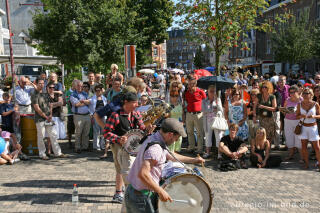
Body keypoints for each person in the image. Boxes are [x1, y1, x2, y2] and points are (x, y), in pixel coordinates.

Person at [125, 118, 204, 213]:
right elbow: (143, 174)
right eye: (176, 138)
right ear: (170, 134)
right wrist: (161, 191)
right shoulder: (155, 149)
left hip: (137, 193)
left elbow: (170, 155)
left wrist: (194, 160)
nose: (175, 141)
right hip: (141, 197)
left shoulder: (156, 138)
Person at [103, 92, 150, 206]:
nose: (137, 104)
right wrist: (118, 138)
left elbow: (142, 129)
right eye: (134, 102)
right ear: (126, 102)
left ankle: (125, 191)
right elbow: (106, 133)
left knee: (130, 168)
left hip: (133, 147)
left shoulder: (136, 113)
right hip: (118, 146)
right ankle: (121, 193)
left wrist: (148, 129)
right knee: (121, 169)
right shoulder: (115, 115)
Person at [31, 79, 66, 160]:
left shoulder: (45, 94)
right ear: (36, 84)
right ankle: (42, 154)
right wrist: (46, 117)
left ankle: (58, 153)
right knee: (41, 136)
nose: (41, 85)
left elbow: (49, 105)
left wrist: (50, 115)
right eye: (40, 83)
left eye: (43, 83)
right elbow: (37, 108)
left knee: (53, 135)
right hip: (40, 119)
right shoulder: (34, 94)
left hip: (48, 118)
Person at [296, 88, 320, 171]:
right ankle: (306, 164)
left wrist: (313, 116)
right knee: (304, 147)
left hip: (313, 127)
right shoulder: (299, 104)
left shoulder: (315, 104)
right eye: (304, 93)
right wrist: (301, 116)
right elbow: (297, 115)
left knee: (317, 147)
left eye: (307, 93)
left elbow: (319, 115)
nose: (305, 95)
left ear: (311, 94)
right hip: (303, 127)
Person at [184, 75, 206, 154]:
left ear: (195, 83)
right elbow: (186, 101)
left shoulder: (200, 92)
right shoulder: (186, 93)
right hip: (189, 114)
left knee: (200, 133)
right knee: (189, 132)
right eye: (189, 84)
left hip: (199, 114)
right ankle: (191, 147)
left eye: (192, 84)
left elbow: (205, 101)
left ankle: (200, 149)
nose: (190, 85)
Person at [202, 85, 225, 159]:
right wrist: (211, 109)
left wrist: (217, 104)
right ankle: (208, 152)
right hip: (208, 120)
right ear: (207, 92)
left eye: (213, 91)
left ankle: (219, 154)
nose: (212, 93)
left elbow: (221, 110)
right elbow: (203, 110)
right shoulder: (204, 101)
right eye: (210, 91)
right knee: (207, 136)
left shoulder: (218, 99)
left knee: (218, 137)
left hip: (216, 120)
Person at [70, 80, 91, 153]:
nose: (80, 87)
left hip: (87, 115)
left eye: (81, 86)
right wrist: (85, 102)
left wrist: (82, 102)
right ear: (75, 86)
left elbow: (90, 102)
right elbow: (76, 104)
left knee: (86, 132)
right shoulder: (73, 95)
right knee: (78, 132)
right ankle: (77, 147)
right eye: (78, 85)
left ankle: (85, 147)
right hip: (78, 116)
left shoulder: (85, 93)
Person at [282, 85, 302, 161]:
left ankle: (302, 157)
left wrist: (297, 113)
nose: (292, 94)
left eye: (294, 92)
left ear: (298, 92)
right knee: (289, 138)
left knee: (298, 139)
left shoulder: (301, 100)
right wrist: (286, 111)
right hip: (288, 121)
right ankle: (291, 155)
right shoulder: (287, 99)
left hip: (298, 121)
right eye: (290, 92)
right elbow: (284, 109)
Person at [89, 84, 107, 151]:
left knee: (103, 131)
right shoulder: (92, 99)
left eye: (99, 90)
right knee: (96, 131)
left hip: (103, 116)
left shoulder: (104, 98)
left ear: (101, 91)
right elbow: (90, 108)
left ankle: (102, 145)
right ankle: (96, 146)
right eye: (96, 91)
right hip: (96, 116)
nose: (98, 92)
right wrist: (91, 115)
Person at [167, 81, 183, 153]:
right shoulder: (169, 105)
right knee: (172, 137)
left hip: (179, 122)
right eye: (173, 96)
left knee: (179, 138)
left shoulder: (180, 104)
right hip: (171, 123)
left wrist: (182, 121)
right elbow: (167, 115)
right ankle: (171, 152)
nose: (174, 98)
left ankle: (177, 151)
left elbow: (182, 114)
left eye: (176, 96)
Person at [65, 80, 77, 148]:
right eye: (75, 85)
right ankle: (69, 142)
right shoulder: (68, 92)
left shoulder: (77, 92)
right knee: (70, 128)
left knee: (77, 129)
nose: (76, 87)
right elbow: (68, 102)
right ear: (73, 85)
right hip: (70, 113)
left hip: (77, 113)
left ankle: (77, 142)